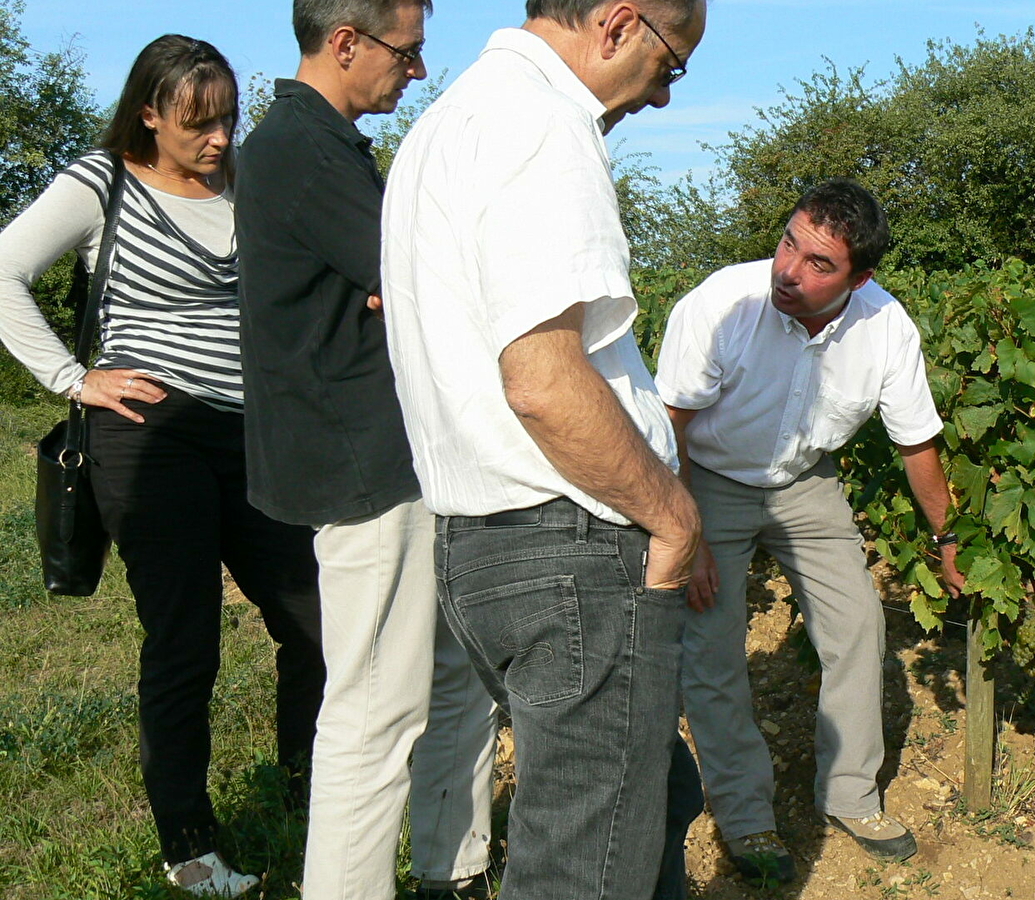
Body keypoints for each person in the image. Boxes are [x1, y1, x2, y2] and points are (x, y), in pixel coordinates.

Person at [380, 1, 708, 897]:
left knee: (648, 806)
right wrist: (672, 515)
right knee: (584, 865)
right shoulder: (541, 127)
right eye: (669, 65)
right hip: (569, 549)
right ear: (618, 24)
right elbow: (544, 380)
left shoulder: (450, 121)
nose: (664, 97)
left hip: (487, 546)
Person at [0, 35, 324, 897]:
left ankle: (309, 800)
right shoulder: (100, 181)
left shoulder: (249, 180)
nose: (219, 139)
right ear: (149, 111)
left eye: (228, 119)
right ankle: (191, 847)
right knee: (185, 642)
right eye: (198, 122)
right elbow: (2, 269)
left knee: (314, 623)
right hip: (150, 434)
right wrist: (75, 378)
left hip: (256, 434)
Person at [233, 2, 499, 897]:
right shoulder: (300, 151)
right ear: (345, 42)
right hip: (365, 464)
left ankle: (451, 867)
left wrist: (409, 287)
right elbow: (427, 284)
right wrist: (413, 288)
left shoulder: (321, 144)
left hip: (391, 453)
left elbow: (409, 283)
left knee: (448, 670)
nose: (416, 71)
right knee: (372, 715)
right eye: (407, 51)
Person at [655, 178, 965, 882]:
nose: (787, 271)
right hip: (702, 478)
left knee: (858, 624)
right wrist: (688, 534)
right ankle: (745, 816)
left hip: (804, 480)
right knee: (711, 650)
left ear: (860, 279)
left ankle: (850, 794)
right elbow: (665, 430)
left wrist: (951, 539)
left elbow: (915, 444)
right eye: (787, 243)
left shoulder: (885, 326)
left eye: (818, 263)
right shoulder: (720, 304)